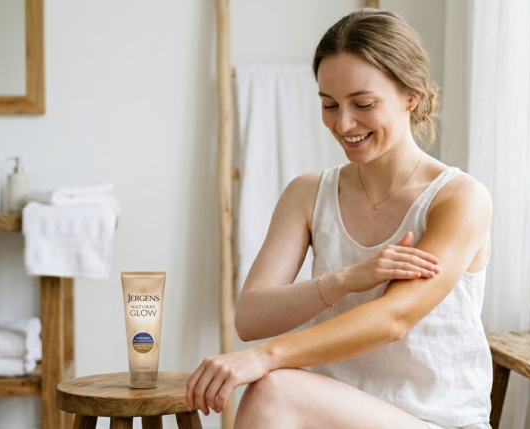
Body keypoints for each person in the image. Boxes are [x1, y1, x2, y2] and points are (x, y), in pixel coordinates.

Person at [186, 8, 493, 429]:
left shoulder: (459, 198)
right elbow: (251, 317)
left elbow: (394, 318)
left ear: (411, 96)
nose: (343, 123)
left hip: (438, 421)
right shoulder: (308, 194)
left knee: (273, 388)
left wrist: (264, 358)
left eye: (363, 104)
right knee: (275, 391)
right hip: (333, 416)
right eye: (329, 105)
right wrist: (347, 278)